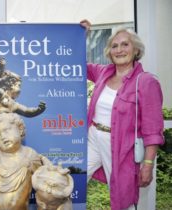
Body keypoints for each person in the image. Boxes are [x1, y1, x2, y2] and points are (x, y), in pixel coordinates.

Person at [81, 20, 164, 210]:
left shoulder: (146, 82)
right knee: (72, 177)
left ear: (136, 50)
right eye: (114, 46)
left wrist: (148, 164)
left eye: (125, 44)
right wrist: (81, 37)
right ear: (109, 52)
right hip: (93, 137)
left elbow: (153, 129)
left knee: (121, 198)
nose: (119, 50)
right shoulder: (103, 72)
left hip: (120, 145)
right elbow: (78, 65)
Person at [0, 69, 46, 137]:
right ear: (10, 84)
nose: (20, 90)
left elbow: (27, 111)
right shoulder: (1, 95)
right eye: (18, 85)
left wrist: (38, 110)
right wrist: (3, 80)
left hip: (4, 128)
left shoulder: (15, 104)